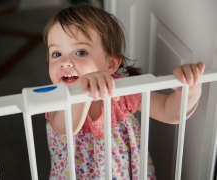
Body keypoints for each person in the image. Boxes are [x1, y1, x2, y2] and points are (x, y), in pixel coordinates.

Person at [43, 3, 205, 180]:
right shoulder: (56, 97)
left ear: (110, 65)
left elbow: (169, 111)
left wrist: (190, 89)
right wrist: (81, 90)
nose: (65, 62)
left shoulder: (123, 91)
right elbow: (65, 127)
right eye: (56, 54)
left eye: (81, 52)